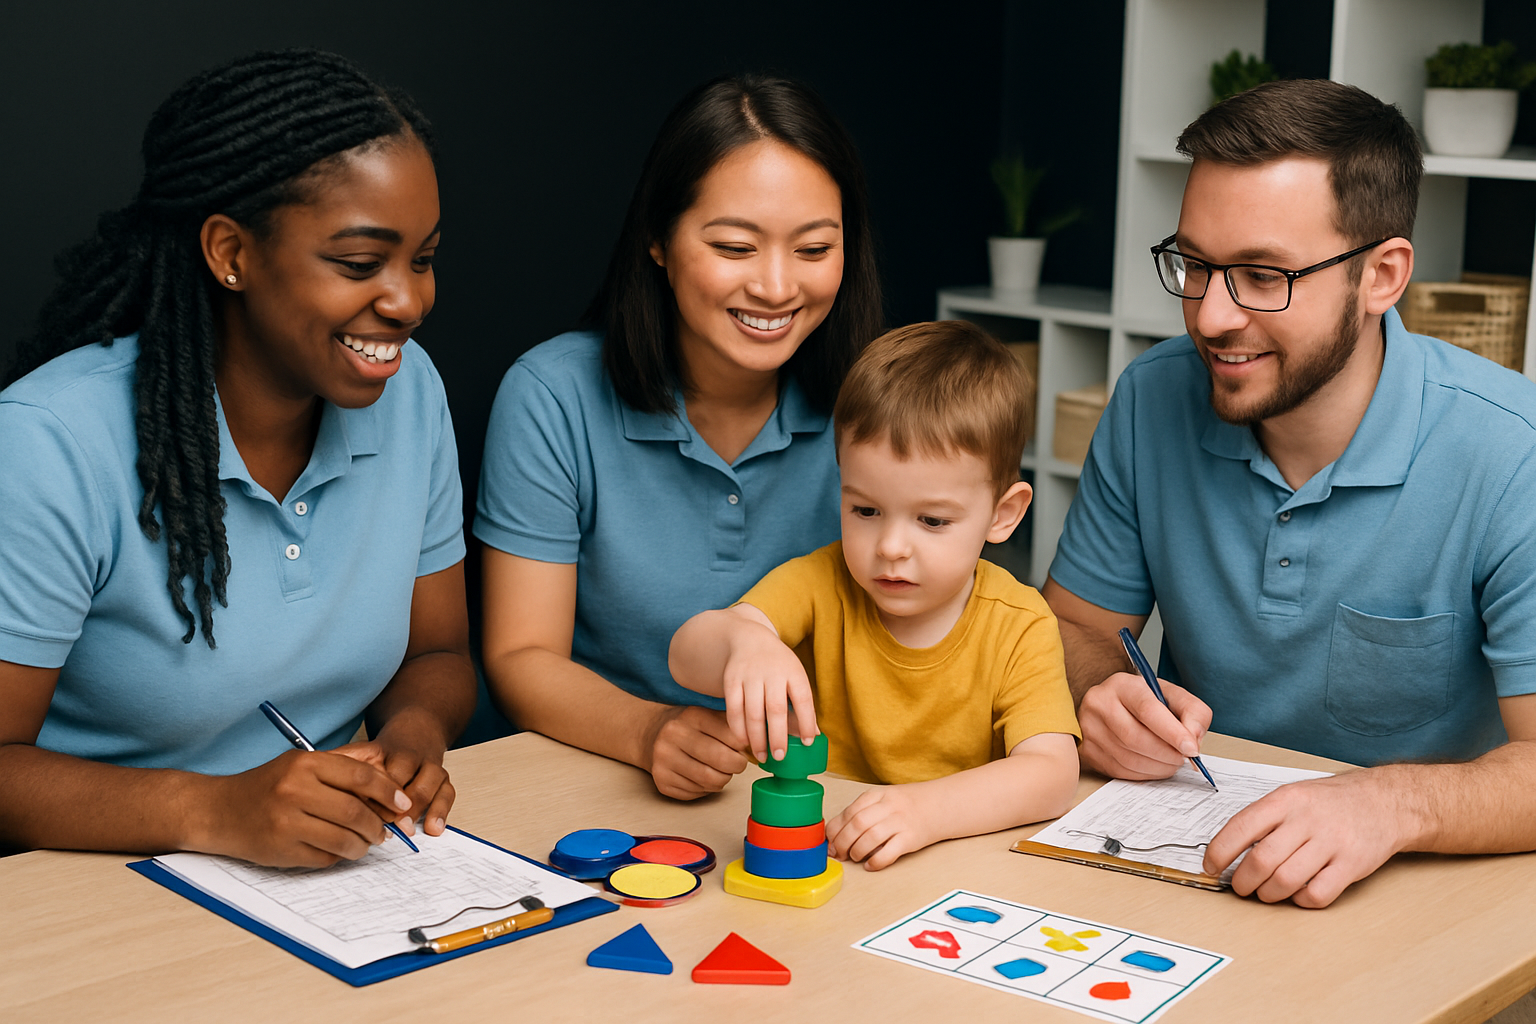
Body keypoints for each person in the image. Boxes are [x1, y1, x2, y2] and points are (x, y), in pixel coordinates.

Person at [1042, 79, 1536, 908]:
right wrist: (1102, 691)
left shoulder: (1511, 452)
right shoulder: (1150, 397)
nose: (1211, 316)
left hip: (1418, 894)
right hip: (1185, 858)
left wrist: (1391, 803)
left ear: (1382, 276)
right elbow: (1072, 624)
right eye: (1195, 266)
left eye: (1263, 276)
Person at [0, 50, 475, 867]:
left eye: (423, 258)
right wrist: (216, 808)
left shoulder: (410, 394)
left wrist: (412, 735)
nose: (407, 302)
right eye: (360, 264)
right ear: (230, 252)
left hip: (328, 878)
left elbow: (437, 654)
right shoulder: (50, 442)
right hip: (93, 893)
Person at [476, 74, 883, 801]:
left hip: (826, 790)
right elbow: (520, 654)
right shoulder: (552, 395)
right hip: (602, 779)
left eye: (815, 249)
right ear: (659, 242)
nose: (776, 286)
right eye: (735, 246)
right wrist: (649, 732)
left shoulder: (879, 403)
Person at [670, 321, 1080, 869]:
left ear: (1002, 515)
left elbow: (1052, 775)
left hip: (945, 870)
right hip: (816, 855)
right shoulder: (822, 581)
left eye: (931, 520)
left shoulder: (1021, 623)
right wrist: (746, 641)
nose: (889, 547)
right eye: (865, 510)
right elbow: (684, 655)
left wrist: (926, 813)